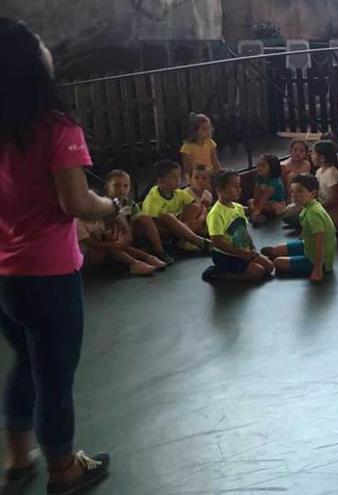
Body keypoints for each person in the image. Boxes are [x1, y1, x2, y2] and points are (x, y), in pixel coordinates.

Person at [0, 17, 111, 492]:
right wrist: (112, 206)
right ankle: (64, 468)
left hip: (3, 273)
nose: (49, 47)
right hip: (48, 273)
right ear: (31, 62)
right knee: (55, 376)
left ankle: (18, 458)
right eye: (40, 43)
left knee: (26, 362)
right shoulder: (56, 126)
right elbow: (76, 203)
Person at [202, 171, 274, 283]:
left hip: (242, 251)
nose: (239, 189)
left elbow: (244, 231)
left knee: (269, 267)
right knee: (258, 273)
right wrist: (242, 254)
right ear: (220, 190)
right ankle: (219, 272)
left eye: (239, 186)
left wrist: (252, 248)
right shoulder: (215, 214)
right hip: (226, 256)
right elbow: (216, 242)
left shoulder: (238, 207)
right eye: (234, 186)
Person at [261, 174, 337, 281]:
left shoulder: (313, 213)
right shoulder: (310, 205)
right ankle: (279, 253)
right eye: (292, 192)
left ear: (313, 193)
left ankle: (316, 264)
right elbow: (307, 231)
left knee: (277, 262)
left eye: (300, 191)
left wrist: (318, 270)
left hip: (317, 259)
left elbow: (321, 242)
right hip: (308, 246)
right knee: (276, 250)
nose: (295, 195)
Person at [104, 169, 174, 265]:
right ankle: (141, 257)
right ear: (107, 187)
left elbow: (133, 225)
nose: (122, 189)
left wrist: (129, 236)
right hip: (112, 238)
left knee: (145, 217)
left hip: (130, 235)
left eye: (125, 186)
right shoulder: (103, 205)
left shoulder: (130, 204)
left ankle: (160, 251)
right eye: (116, 185)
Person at [140, 159, 211, 252]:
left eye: (179, 176)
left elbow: (198, 206)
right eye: (173, 177)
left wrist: (200, 219)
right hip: (163, 232)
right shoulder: (153, 197)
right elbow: (154, 224)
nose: (178, 180)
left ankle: (183, 240)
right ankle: (196, 240)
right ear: (160, 180)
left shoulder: (178, 192)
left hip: (178, 228)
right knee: (168, 216)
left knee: (195, 207)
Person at [76, 212, 166, 276]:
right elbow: (92, 243)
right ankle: (134, 264)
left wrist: (112, 237)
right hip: (86, 256)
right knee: (112, 247)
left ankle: (147, 257)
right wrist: (113, 244)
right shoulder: (78, 223)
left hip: (99, 249)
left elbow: (105, 236)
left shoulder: (97, 220)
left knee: (119, 245)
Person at [249, 154, 286, 225]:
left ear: (272, 168)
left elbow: (265, 197)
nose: (259, 167)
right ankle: (259, 215)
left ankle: (258, 215)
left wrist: (256, 211)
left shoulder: (274, 181)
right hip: (265, 202)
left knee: (268, 208)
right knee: (250, 201)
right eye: (258, 165)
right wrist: (255, 203)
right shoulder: (258, 177)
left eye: (263, 165)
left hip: (277, 204)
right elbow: (256, 194)